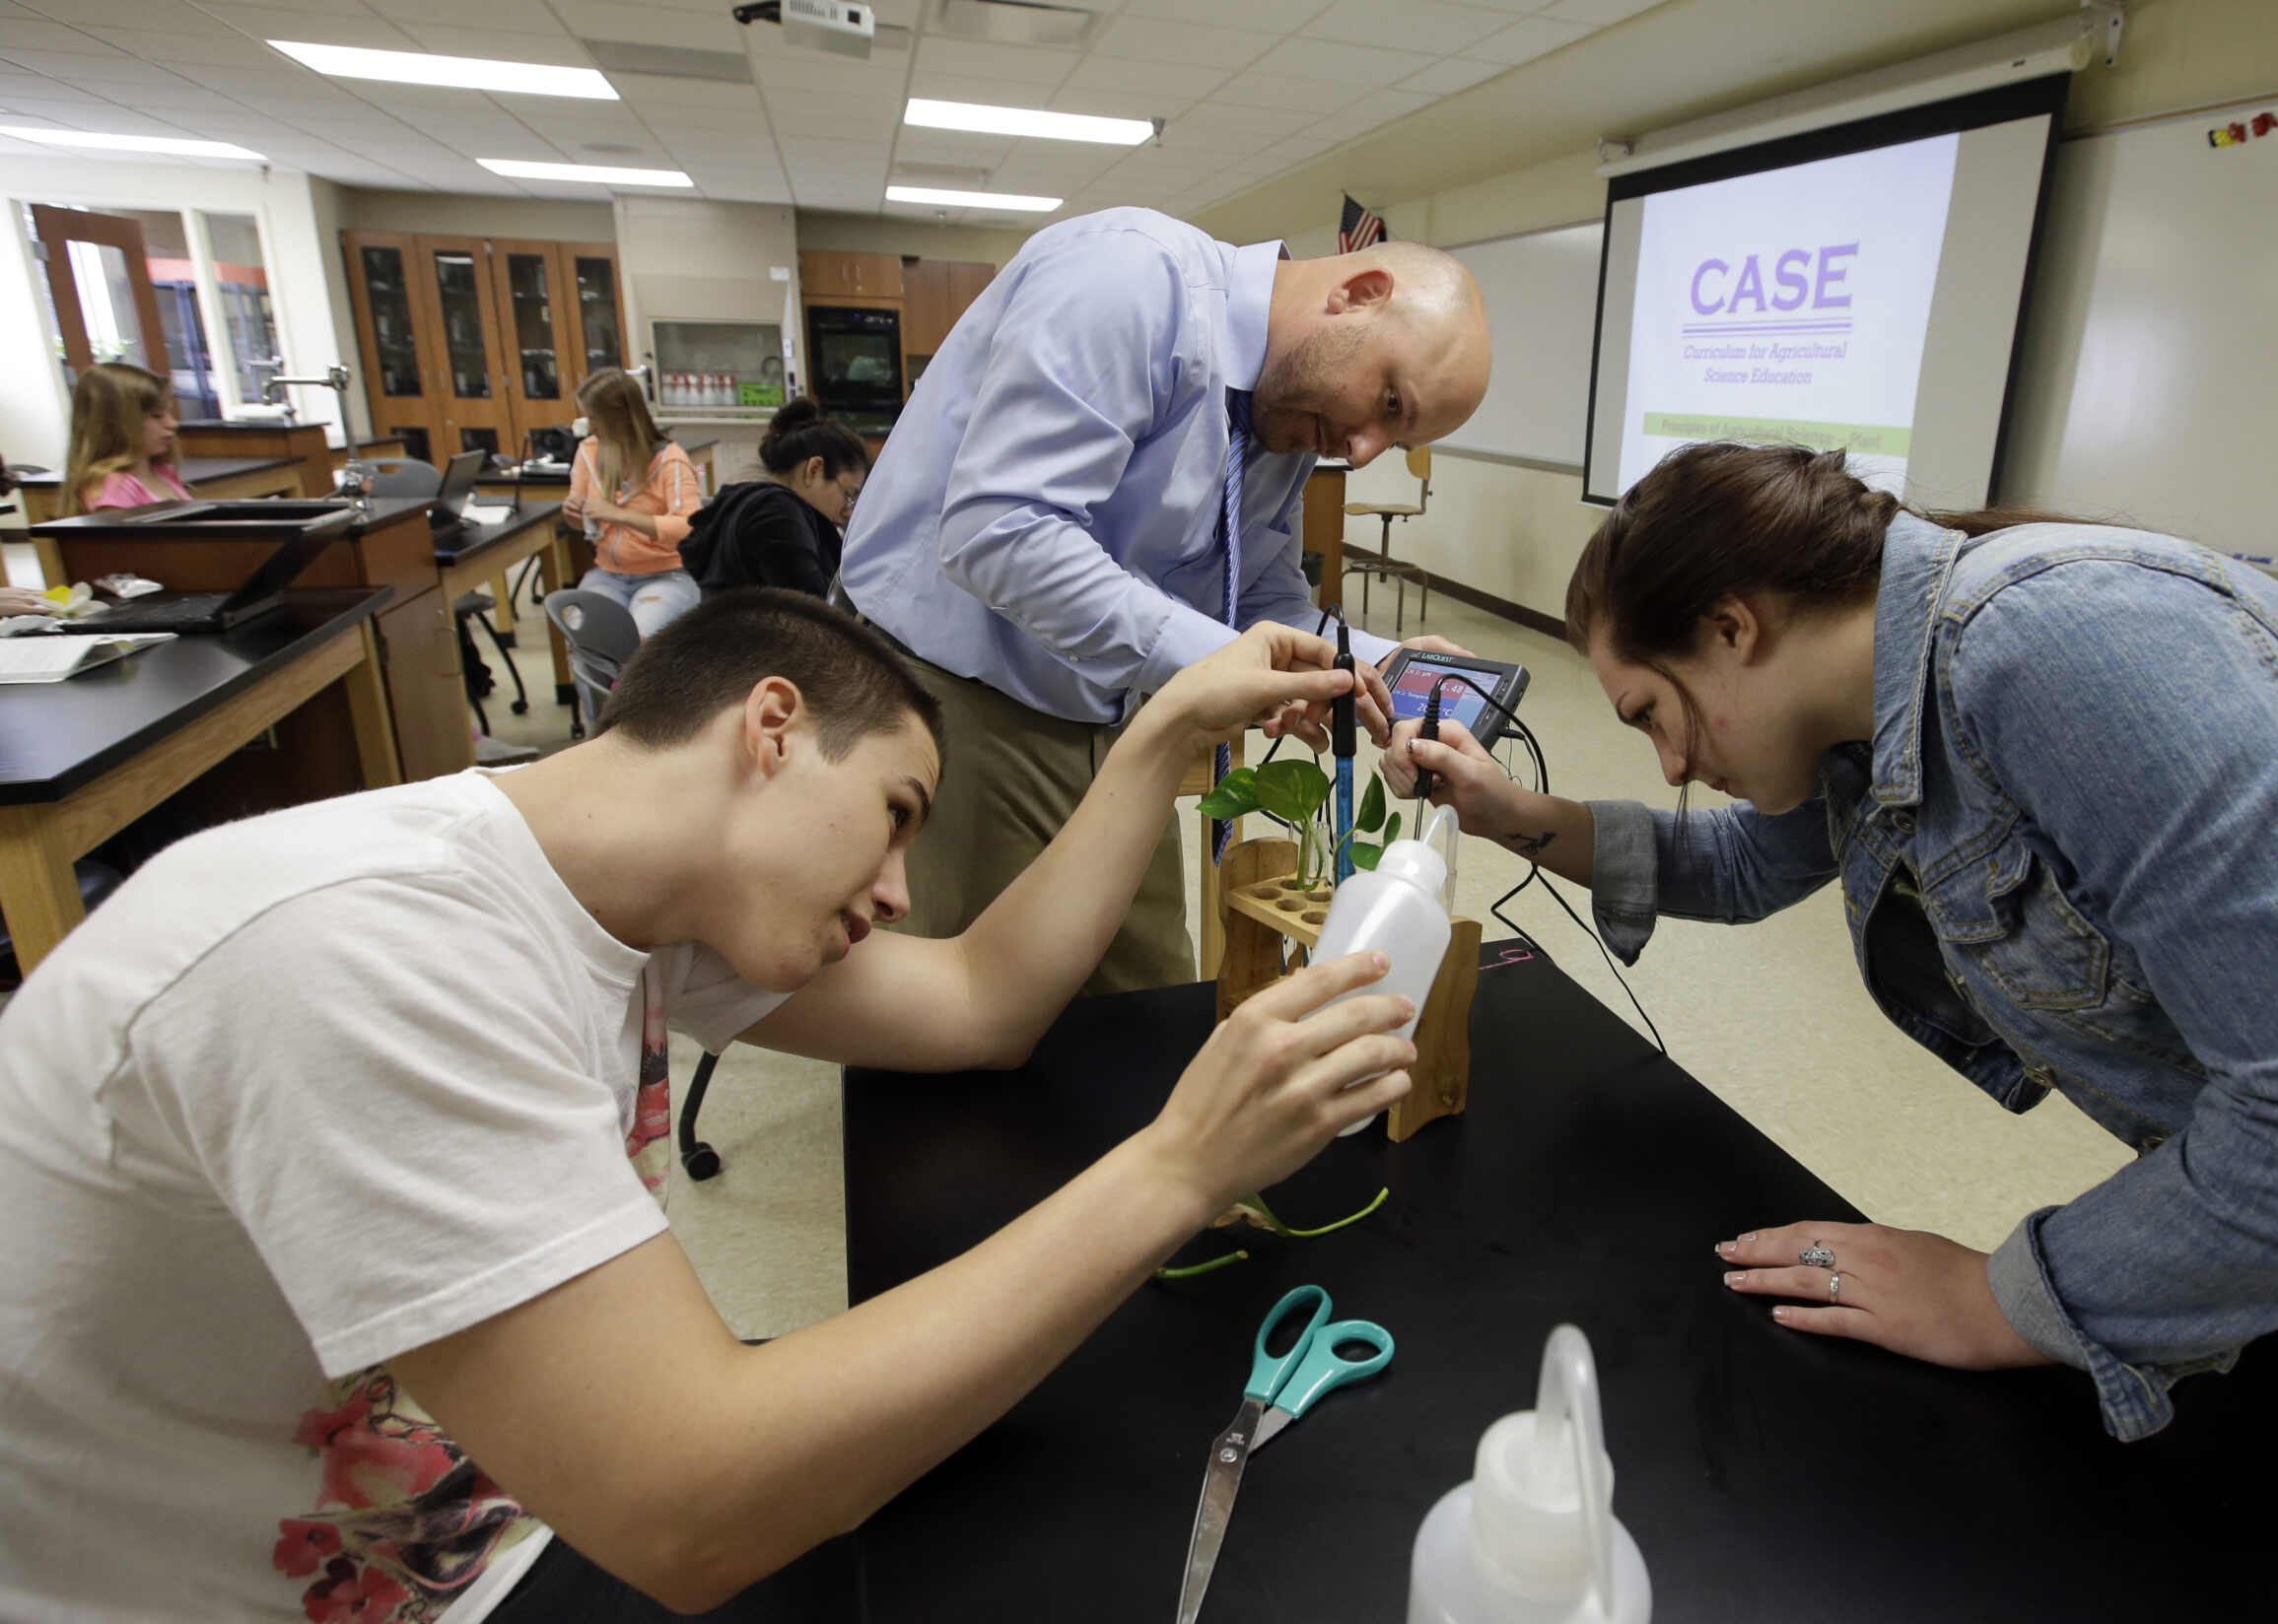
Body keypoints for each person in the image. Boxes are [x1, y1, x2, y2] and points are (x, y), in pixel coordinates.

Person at [0, 589, 1410, 1619]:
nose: (898, 890)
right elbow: (689, 1514)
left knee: (1024, 1477)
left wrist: (1161, 734)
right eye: (897, 813)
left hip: (491, 1507)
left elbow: (982, 999)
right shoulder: (367, 954)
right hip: (368, 1589)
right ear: (772, 729)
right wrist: (1175, 1167)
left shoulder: (619, 899)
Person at [1384, 440, 2278, 1442]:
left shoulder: (2061, 644)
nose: (1670, 765)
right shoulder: (1877, 697)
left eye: (1651, 713)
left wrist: (1992, 1297)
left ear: (1732, 626)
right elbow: (1743, 864)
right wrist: (1506, 812)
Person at [840, 207, 1495, 994]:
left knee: (1145, 997)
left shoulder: (1287, 411)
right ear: (1357, 294)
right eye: (1389, 404)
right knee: (953, 1009)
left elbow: (1256, 595)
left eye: (1397, 441)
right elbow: (1002, 532)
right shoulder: (1129, 280)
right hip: (950, 694)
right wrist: (1227, 667)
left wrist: (1374, 665)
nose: (1361, 452)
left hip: (1112, 706)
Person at [562, 368, 704, 636]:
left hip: (667, 575)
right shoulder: (588, 452)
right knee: (585, 636)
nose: (590, 426)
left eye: (595, 418)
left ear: (623, 417)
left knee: (637, 639)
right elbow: (581, 521)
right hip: (608, 575)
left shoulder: (669, 459)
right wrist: (573, 514)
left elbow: (688, 528)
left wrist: (618, 514)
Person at [679, 397, 868, 598]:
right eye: (849, 495)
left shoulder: (746, 502)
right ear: (813, 470)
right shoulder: (776, 510)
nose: (848, 513)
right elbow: (814, 601)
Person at [63, 361, 189, 511]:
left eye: (169, 413)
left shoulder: (163, 473)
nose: (172, 424)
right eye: (157, 415)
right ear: (116, 423)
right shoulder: (114, 488)